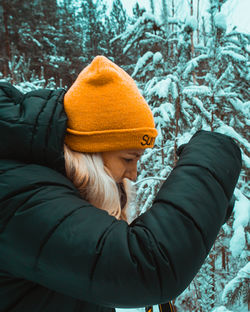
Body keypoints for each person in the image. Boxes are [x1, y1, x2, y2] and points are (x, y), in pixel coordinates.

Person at [0, 56, 242, 312]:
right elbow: (146, 267)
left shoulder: (38, 183)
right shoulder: (17, 194)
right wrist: (212, 157)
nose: (134, 174)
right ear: (90, 152)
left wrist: (207, 205)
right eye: (128, 158)